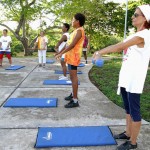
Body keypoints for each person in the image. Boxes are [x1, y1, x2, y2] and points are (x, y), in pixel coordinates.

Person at [93, 4, 150, 150]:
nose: (132, 17)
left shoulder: (145, 35)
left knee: (135, 110)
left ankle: (133, 142)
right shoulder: (135, 34)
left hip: (134, 80)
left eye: (136, 15)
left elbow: (119, 47)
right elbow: (122, 46)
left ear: (145, 18)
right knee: (128, 109)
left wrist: (100, 52)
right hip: (126, 77)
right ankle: (127, 133)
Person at [55, 13, 85, 108]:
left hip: (74, 58)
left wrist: (60, 54)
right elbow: (67, 44)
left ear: (77, 21)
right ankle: (73, 94)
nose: (72, 21)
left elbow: (72, 45)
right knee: (72, 78)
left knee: (73, 78)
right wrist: (60, 52)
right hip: (70, 57)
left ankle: (75, 100)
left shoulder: (80, 31)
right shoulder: (75, 31)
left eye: (73, 20)